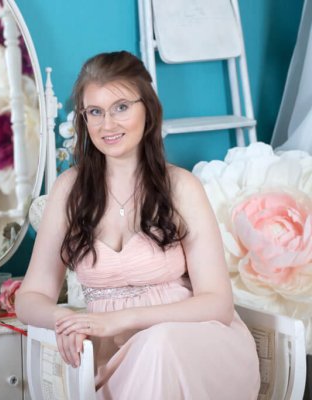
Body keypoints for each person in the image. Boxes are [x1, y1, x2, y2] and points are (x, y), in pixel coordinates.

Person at [15, 51, 260, 399]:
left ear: (148, 109)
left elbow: (218, 304)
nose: (107, 125)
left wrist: (119, 319)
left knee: (159, 344)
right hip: (111, 357)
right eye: (95, 112)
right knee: (151, 353)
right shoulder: (69, 190)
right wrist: (67, 320)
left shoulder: (181, 187)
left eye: (121, 107)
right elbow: (30, 298)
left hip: (194, 346)